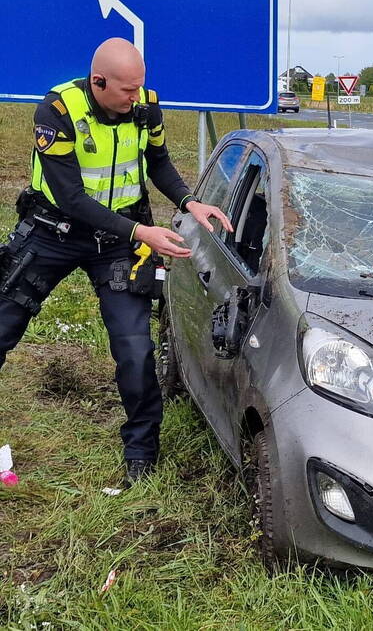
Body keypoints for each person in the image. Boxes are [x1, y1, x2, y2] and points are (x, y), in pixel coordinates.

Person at [0, 37, 231, 484]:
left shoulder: (147, 107)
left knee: (134, 348)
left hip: (117, 243)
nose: (135, 98)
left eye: (140, 87)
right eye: (126, 90)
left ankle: (142, 452)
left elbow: (159, 163)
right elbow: (69, 197)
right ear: (98, 81)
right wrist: (143, 232)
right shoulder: (59, 112)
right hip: (54, 234)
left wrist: (189, 202)